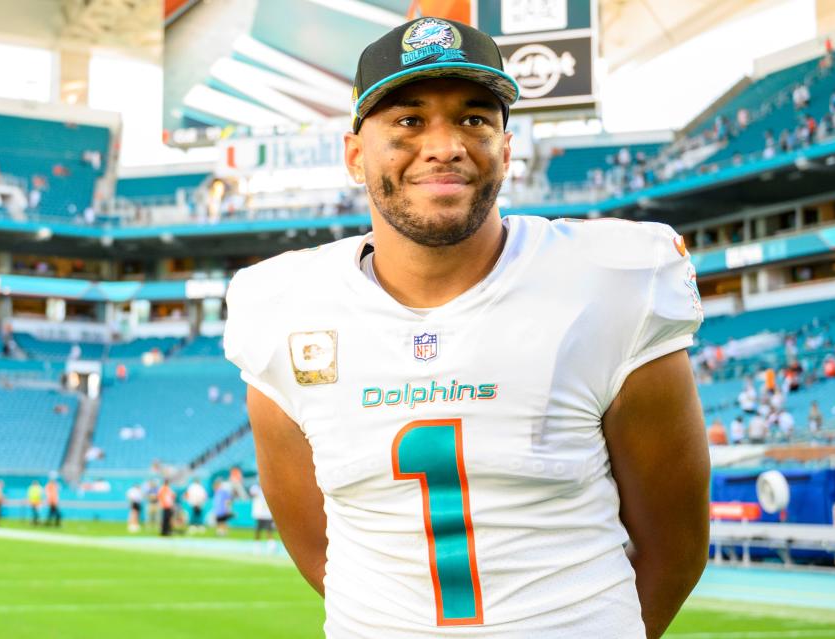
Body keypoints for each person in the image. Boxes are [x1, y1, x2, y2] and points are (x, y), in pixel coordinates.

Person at [223, 17, 709, 639]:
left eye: (475, 119)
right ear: (354, 154)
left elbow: (675, 545)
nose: (444, 144)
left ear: (506, 149)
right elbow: (323, 555)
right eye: (408, 120)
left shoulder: (610, 282)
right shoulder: (284, 307)